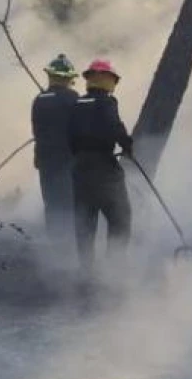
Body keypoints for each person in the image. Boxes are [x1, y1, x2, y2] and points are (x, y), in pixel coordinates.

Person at [69, 59, 133, 271]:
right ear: (107, 79)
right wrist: (127, 145)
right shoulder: (107, 102)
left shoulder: (77, 103)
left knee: (85, 222)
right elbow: (114, 125)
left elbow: (69, 136)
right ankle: (114, 268)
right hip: (104, 168)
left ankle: (86, 269)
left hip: (79, 169)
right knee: (120, 218)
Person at [31, 54, 80, 243]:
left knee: (52, 203)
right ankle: (72, 243)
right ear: (68, 79)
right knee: (71, 203)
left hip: (46, 160)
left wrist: (38, 155)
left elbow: (37, 130)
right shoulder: (74, 98)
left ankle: (55, 243)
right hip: (70, 159)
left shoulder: (40, 99)